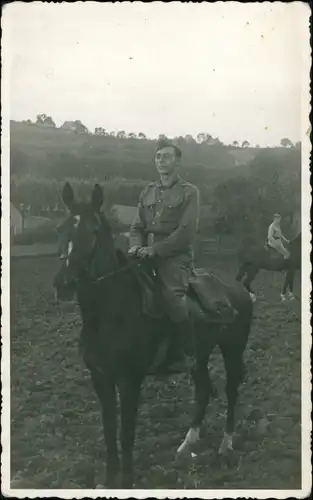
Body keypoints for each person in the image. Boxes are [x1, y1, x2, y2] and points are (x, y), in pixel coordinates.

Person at [129, 139, 200, 373]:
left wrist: (156, 250)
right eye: (158, 156)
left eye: (167, 156)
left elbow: (185, 232)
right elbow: (137, 226)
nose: (161, 160)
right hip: (144, 254)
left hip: (175, 257)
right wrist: (136, 246)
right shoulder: (147, 191)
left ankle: (184, 352)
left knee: (172, 295)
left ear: (177, 162)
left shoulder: (190, 192)